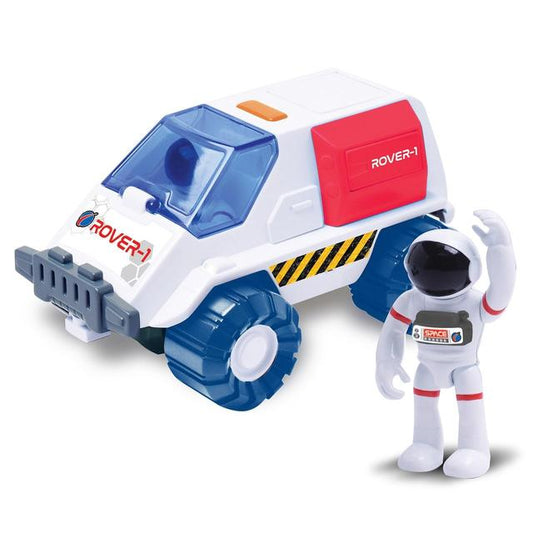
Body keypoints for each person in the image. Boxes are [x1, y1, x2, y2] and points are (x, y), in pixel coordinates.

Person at [375, 210, 516, 478]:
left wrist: (501, 249)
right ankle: (425, 444)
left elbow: (501, 293)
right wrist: (386, 361)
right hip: (426, 367)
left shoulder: (473, 303)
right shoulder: (413, 300)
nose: (433, 275)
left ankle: (474, 449)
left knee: (470, 408)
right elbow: (393, 329)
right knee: (424, 406)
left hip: (464, 368)